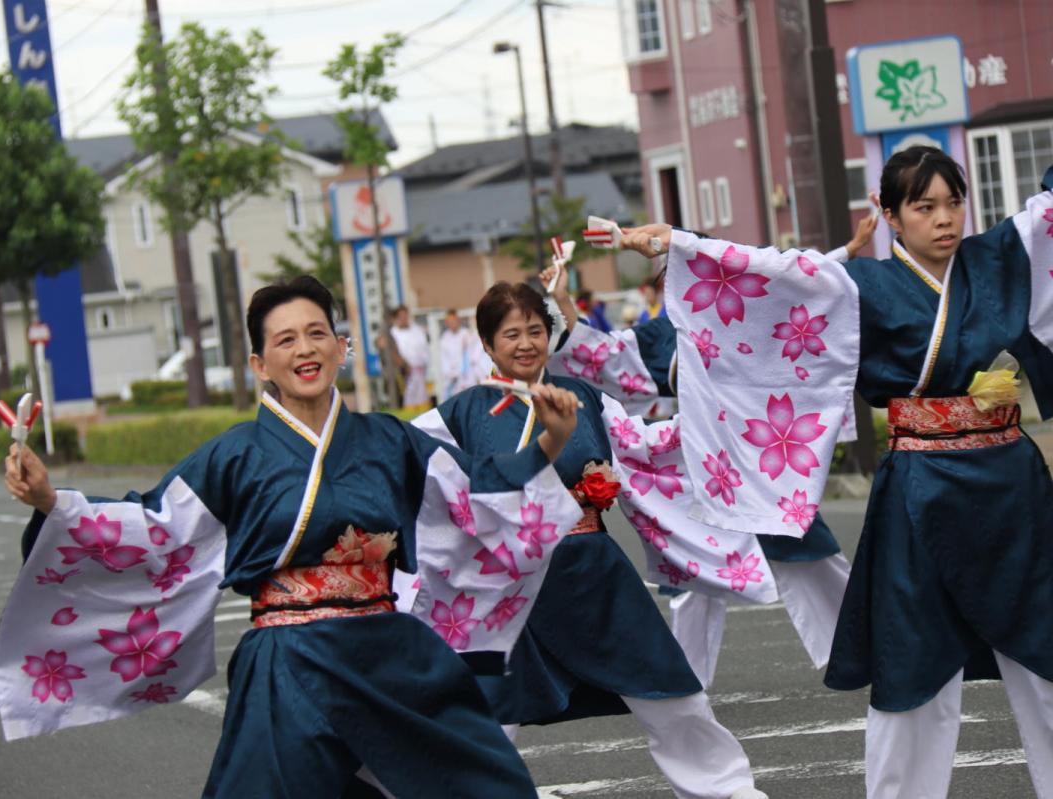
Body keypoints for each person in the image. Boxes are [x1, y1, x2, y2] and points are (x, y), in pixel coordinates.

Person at [0, 276, 586, 798]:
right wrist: (51, 501)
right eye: (285, 340)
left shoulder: (389, 440)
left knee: (489, 781)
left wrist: (549, 443)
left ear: (340, 346)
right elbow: (154, 527)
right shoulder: (236, 454)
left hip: (386, 649)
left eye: (316, 333)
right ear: (259, 364)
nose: (304, 349)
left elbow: (477, 494)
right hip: (287, 661)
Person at [615, 147, 1053, 799]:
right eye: (923, 206)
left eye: (953, 202)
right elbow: (774, 276)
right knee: (913, 667)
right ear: (891, 215)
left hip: (1010, 487)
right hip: (920, 490)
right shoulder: (860, 288)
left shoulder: (999, 259)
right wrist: (684, 243)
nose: (944, 219)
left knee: (1045, 651)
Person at [413, 282, 768, 799]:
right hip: (507, 587)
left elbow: (646, 446)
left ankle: (728, 790)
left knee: (668, 685)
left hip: (593, 570)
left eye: (536, 330)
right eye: (511, 334)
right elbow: (419, 476)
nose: (526, 343)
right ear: (487, 345)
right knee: (485, 708)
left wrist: (716, 418)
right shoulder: (457, 416)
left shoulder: (586, 399)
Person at [541, 206, 882, 687]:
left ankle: (858, 644)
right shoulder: (665, 333)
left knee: (805, 543)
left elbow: (791, 282)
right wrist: (561, 304)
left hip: (758, 453)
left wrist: (846, 252)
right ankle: (683, 677)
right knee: (694, 567)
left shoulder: (751, 308)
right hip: (699, 460)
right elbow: (603, 354)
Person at [388, 306, 430, 410]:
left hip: (421, 369)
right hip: (404, 371)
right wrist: (403, 365)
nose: (404, 318)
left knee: (422, 397)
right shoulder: (393, 333)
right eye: (401, 316)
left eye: (405, 316)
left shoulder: (417, 330)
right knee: (409, 396)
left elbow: (424, 347)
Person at [438, 309, 475, 400]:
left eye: (454, 321)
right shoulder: (444, 338)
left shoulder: (467, 334)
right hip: (451, 378)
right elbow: (444, 359)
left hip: (466, 377)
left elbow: (471, 356)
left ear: (458, 320)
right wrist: (449, 373)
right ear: (446, 323)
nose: (452, 324)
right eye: (449, 322)